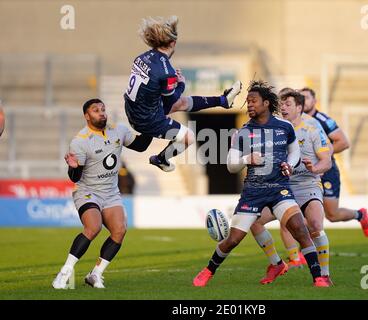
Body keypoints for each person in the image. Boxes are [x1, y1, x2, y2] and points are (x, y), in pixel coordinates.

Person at [192, 80, 330, 288]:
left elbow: (294, 152)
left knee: (300, 229)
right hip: (253, 193)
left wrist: (290, 165)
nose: (249, 105)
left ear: (266, 103)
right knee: (233, 239)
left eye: (253, 101)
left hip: (279, 189)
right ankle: (208, 270)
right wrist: (247, 159)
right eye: (247, 101)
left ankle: (318, 277)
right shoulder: (243, 132)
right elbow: (230, 165)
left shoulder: (285, 127)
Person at [52, 99, 150, 289]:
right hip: (88, 192)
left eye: (103, 109)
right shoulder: (80, 141)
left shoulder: (119, 131)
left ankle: (95, 274)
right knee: (93, 227)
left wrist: (151, 127)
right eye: (96, 110)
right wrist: (72, 167)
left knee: (119, 230)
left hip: (111, 193)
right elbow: (75, 177)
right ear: (87, 116)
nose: (101, 113)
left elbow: (140, 146)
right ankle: (65, 272)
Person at [124, 16, 242, 172]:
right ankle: (161, 159)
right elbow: (171, 100)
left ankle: (223, 100)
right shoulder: (167, 71)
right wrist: (181, 84)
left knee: (181, 104)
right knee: (189, 137)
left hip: (134, 109)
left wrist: (170, 85)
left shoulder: (142, 57)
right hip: (147, 118)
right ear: (173, 43)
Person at [250, 89, 334, 285]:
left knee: (315, 225)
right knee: (253, 220)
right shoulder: (273, 128)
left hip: (307, 185)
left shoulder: (313, 128)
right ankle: (277, 263)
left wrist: (315, 168)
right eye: (281, 104)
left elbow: (326, 161)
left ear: (299, 107)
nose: (283, 108)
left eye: (288, 104)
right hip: (281, 187)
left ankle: (324, 275)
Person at [300, 87, 368, 237]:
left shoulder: (323, 120)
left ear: (315, 101)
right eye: (301, 98)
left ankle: (360, 215)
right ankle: (301, 254)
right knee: (302, 213)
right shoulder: (296, 120)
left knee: (332, 215)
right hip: (306, 172)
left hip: (326, 171)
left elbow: (343, 142)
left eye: (306, 97)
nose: (303, 101)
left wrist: (323, 154)